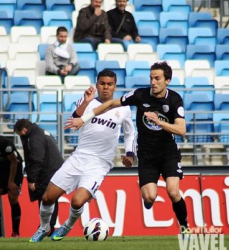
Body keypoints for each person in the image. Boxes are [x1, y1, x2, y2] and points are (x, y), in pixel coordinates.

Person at [65, 61, 190, 237]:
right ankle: (149, 200)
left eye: (157, 78)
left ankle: (184, 226)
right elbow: (109, 104)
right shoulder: (140, 95)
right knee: (149, 196)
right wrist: (83, 119)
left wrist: (159, 121)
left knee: (173, 191)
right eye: (151, 78)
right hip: (146, 155)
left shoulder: (175, 99)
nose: (153, 82)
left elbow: (181, 129)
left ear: (167, 80)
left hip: (168, 152)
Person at [29, 69, 136, 242]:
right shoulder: (88, 101)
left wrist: (130, 154)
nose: (106, 87)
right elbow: (73, 121)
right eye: (102, 83)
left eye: (109, 84)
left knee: (77, 201)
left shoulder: (123, 108)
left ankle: (67, 226)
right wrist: (86, 102)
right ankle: (44, 227)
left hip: (99, 164)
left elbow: (130, 133)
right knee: (47, 197)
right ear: (97, 84)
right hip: (79, 157)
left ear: (115, 86)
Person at [14, 119, 64, 235]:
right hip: (54, 170)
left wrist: (32, 179)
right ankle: (47, 226)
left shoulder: (34, 138)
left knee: (46, 198)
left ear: (24, 130)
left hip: (47, 172)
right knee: (50, 198)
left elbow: (37, 160)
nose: (20, 136)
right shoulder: (40, 132)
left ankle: (46, 227)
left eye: (19, 133)